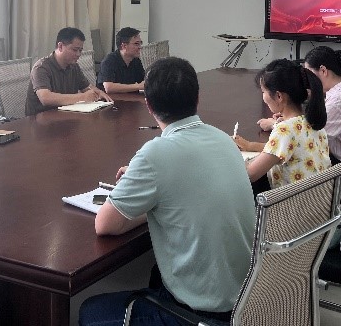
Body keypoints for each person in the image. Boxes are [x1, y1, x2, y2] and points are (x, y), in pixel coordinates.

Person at [78, 57, 255, 326]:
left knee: (90, 311)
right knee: (153, 273)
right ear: (197, 98)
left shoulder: (155, 154)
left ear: (148, 105)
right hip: (246, 300)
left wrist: (149, 193)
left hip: (201, 314)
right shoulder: (224, 140)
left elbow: (105, 224)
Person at [233, 59, 331, 187]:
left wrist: (228, 154)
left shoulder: (284, 130)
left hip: (292, 199)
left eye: (263, 92)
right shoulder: (313, 121)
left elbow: (249, 175)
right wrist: (250, 146)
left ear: (279, 96)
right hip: (318, 197)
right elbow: (284, 149)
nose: (263, 97)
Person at [25, 27, 111, 116]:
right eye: (75, 50)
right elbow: (45, 98)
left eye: (80, 50)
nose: (78, 54)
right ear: (60, 46)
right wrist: (83, 97)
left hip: (66, 116)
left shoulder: (74, 66)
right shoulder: (41, 67)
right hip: (40, 119)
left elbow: (87, 87)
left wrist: (98, 93)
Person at [96, 27, 145, 93]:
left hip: (129, 97)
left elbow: (143, 81)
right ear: (124, 46)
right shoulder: (109, 61)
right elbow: (108, 87)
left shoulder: (136, 61)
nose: (140, 47)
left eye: (140, 43)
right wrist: (138, 86)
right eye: (136, 44)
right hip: (110, 98)